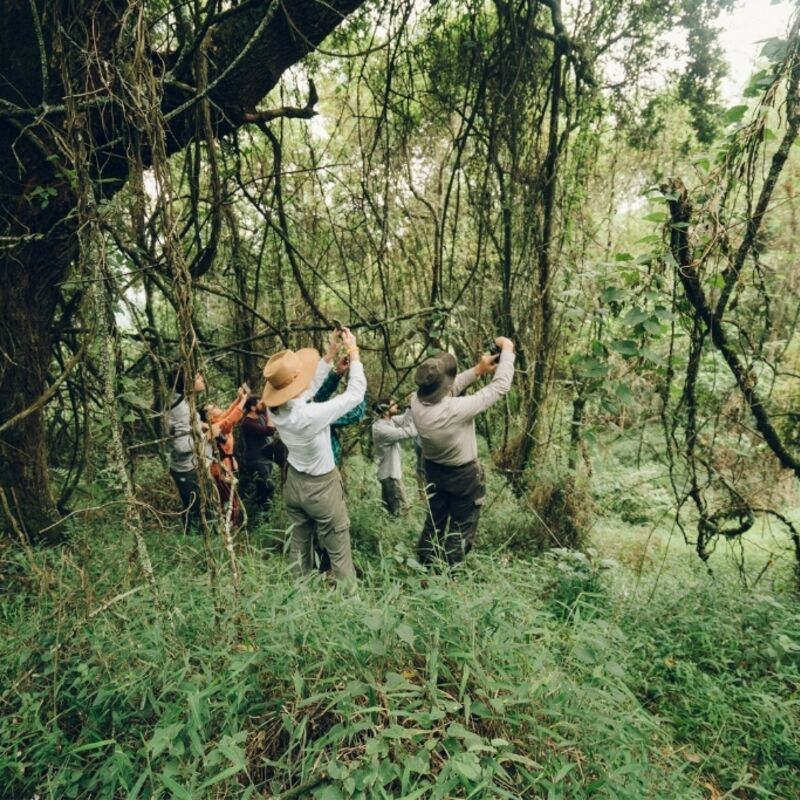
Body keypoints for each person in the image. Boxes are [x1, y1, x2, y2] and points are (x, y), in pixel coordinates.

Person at [262, 327, 366, 583]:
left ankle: (298, 594)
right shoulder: (308, 415)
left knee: (299, 545)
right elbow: (354, 396)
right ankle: (351, 602)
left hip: (294, 484)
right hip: (321, 488)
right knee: (339, 550)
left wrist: (330, 354)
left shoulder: (276, 410)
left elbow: (305, 389)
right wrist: (353, 353)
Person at [410, 337, 515, 567]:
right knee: (460, 529)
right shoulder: (454, 409)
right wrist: (507, 350)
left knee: (434, 523)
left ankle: (424, 566)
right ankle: (449, 576)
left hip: (434, 472)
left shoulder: (415, 402)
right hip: (463, 477)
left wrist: (478, 370)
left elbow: (448, 389)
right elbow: (499, 387)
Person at [166, 368, 211, 531]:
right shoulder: (182, 410)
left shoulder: (180, 400)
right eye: (198, 378)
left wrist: (201, 427)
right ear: (188, 384)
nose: (202, 380)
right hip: (186, 468)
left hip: (189, 467)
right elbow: (181, 446)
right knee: (194, 509)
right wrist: (207, 437)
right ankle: (194, 541)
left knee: (197, 507)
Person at [203, 386, 248, 523]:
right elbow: (231, 418)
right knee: (230, 500)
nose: (217, 407)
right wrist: (244, 399)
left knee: (226, 499)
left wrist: (239, 398)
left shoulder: (217, 422)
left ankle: (226, 524)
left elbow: (228, 413)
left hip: (224, 467)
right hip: (220, 469)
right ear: (210, 416)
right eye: (214, 407)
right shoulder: (215, 427)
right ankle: (231, 526)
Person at [371, 397, 417, 516]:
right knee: (400, 513)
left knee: (392, 513)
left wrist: (410, 406)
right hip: (390, 476)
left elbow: (404, 420)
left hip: (390, 474)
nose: (396, 406)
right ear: (385, 411)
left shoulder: (388, 421)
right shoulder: (381, 429)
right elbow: (410, 432)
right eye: (393, 404)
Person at [240, 396, 277, 513]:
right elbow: (270, 430)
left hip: (264, 458)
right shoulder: (247, 423)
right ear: (252, 407)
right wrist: (267, 410)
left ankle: (261, 513)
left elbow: (271, 427)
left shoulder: (260, 418)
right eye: (260, 404)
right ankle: (264, 515)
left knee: (263, 488)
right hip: (256, 460)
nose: (263, 405)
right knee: (267, 486)